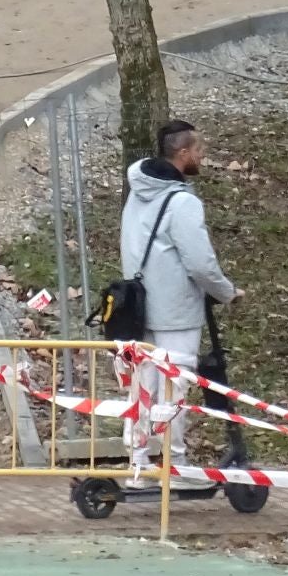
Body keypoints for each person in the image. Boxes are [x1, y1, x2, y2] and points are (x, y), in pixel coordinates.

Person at [120, 120, 242, 478]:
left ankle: (138, 464)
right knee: (174, 393)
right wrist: (228, 293)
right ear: (183, 153)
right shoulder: (182, 202)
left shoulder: (136, 192)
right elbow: (201, 264)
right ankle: (176, 466)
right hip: (177, 313)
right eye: (200, 151)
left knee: (142, 392)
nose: (203, 157)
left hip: (139, 311)